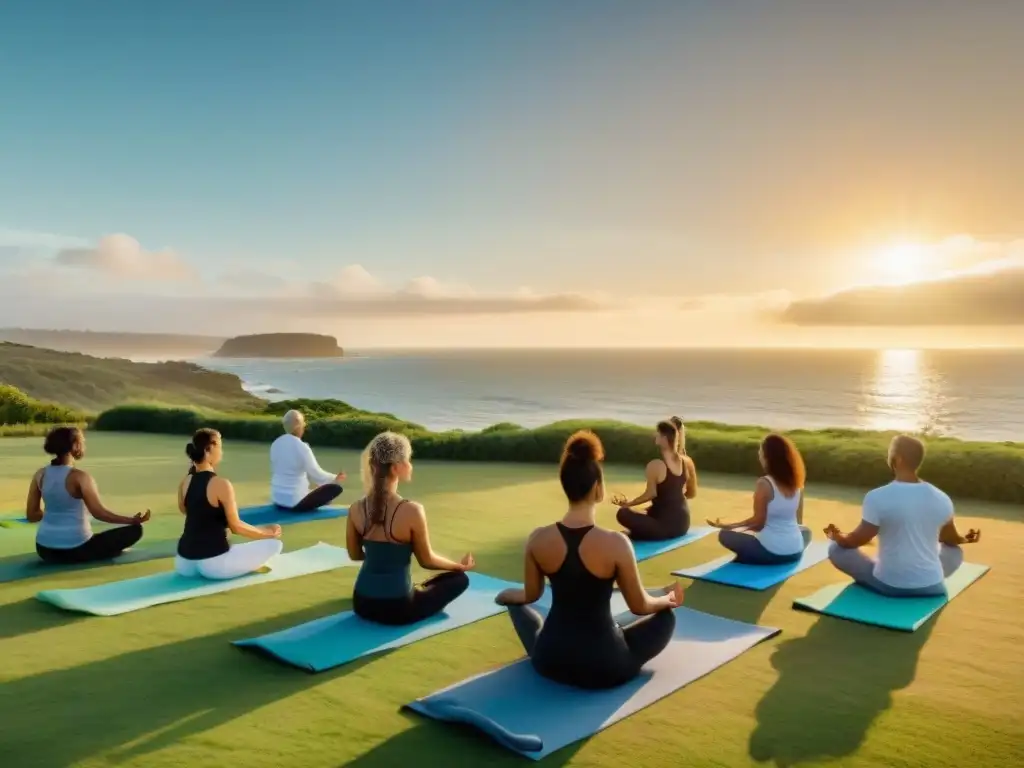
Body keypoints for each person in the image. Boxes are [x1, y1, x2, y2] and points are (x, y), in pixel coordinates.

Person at [496, 430, 683, 690]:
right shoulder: (616, 543)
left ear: (565, 485)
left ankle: (560, 638)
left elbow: (529, 595)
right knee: (666, 618)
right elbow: (640, 605)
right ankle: (620, 629)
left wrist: (506, 596)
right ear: (598, 488)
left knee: (522, 611)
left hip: (549, 659)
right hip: (604, 666)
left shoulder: (538, 538)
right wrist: (667, 601)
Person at [824, 434, 980, 597]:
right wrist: (966, 539)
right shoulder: (941, 497)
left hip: (890, 584)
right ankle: (924, 578)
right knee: (955, 551)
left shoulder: (876, 496)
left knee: (836, 549)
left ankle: (882, 577)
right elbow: (950, 540)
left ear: (897, 459)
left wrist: (837, 536)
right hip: (933, 585)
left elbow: (855, 541)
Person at [346, 431, 472, 625]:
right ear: (396, 468)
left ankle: (417, 588)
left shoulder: (355, 508)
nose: (410, 465)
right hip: (398, 608)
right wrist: (459, 566)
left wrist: (380, 559)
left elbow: (355, 555)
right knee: (460, 579)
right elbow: (427, 560)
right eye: (408, 459)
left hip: (362, 603)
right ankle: (422, 588)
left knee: (431, 583)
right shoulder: (412, 510)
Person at [25, 426, 150, 564]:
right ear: (75, 445)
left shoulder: (40, 474)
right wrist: (132, 521)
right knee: (135, 530)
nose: (84, 445)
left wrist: (56, 512)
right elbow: (100, 513)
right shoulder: (81, 477)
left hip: (44, 549)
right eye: (82, 441)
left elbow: (32, 515)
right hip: (77, 549)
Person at [176, 428, 284, 580]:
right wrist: (267, 533)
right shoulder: (221, 484)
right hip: (213, 565)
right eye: (220, 446)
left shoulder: (185, 481)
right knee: (275, 545)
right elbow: (236, 527)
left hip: (184, 563)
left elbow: (187, 511)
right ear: (209, 449)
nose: (221, 451)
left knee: (234, 547)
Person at [707, 433, 812, 564]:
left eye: (761, 451)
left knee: (725, 535)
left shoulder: (765, 483)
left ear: (769, 457)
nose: (759, 454)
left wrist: (729, 526)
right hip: (795, 551)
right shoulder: (796, 483)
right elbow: (797, 521)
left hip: (772, 552)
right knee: (806, 531)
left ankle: (753, 557)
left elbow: (758, 524)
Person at [612, 416, 697, 541]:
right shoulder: (685, 462)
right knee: (644, 513)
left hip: (666, 527)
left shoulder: (656, 464)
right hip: (683, 524)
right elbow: (684, 493)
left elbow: (650, 494)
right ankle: (638, 532)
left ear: (664, 438)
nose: (654, 435)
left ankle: (638, 533)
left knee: (623, 513)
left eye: (657, 433)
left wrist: (628, 504)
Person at [269, 409, 346, 511]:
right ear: (298, 427)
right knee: (335, 488)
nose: (304, 427)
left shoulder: (275, 444)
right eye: (303, 425)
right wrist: (335, 478)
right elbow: (316, 474)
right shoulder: (302, 447)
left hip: (277, 499)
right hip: (294, 503)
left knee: (315, 490)